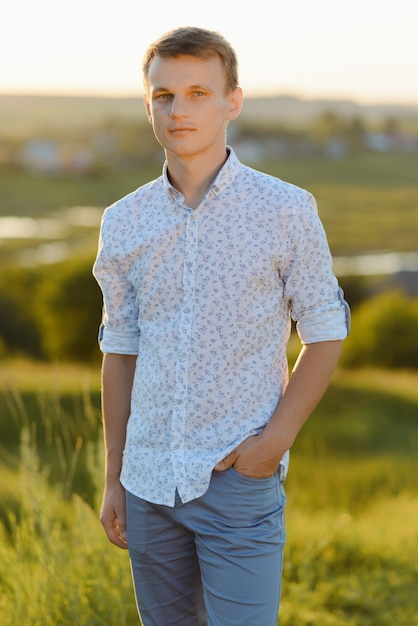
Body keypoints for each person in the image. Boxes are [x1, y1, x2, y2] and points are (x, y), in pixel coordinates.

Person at [93, 26, 350, 626]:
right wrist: (115, 477)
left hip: (237, 481)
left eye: (198, 93)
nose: (179, 110)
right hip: (146, 483)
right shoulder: (123, 221)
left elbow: (326, 329)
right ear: (149, 103)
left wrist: (273, 445)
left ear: (232, 100)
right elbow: (120, 350)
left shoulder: (285, 209)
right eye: (164, 95)